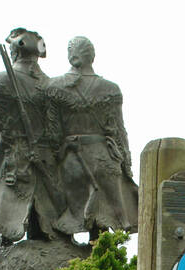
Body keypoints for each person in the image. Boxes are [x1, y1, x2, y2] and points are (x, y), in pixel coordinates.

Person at [0, 28, 62, 253]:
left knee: (5, 233)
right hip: (46, 164)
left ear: (15, 51)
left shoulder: (2, 80)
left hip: (15, 162)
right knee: (42, 228)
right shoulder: (52, 86)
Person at [44, 36, 139, 240]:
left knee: (72, 217)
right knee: (106, 222)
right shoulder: (111, 89)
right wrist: (127, 163)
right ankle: (101, 255)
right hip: (104, 158)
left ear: (71, 56)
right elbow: (119, 131)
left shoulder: (54, 88)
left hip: (73, 161)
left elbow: (53, 134)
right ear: (92, 57)